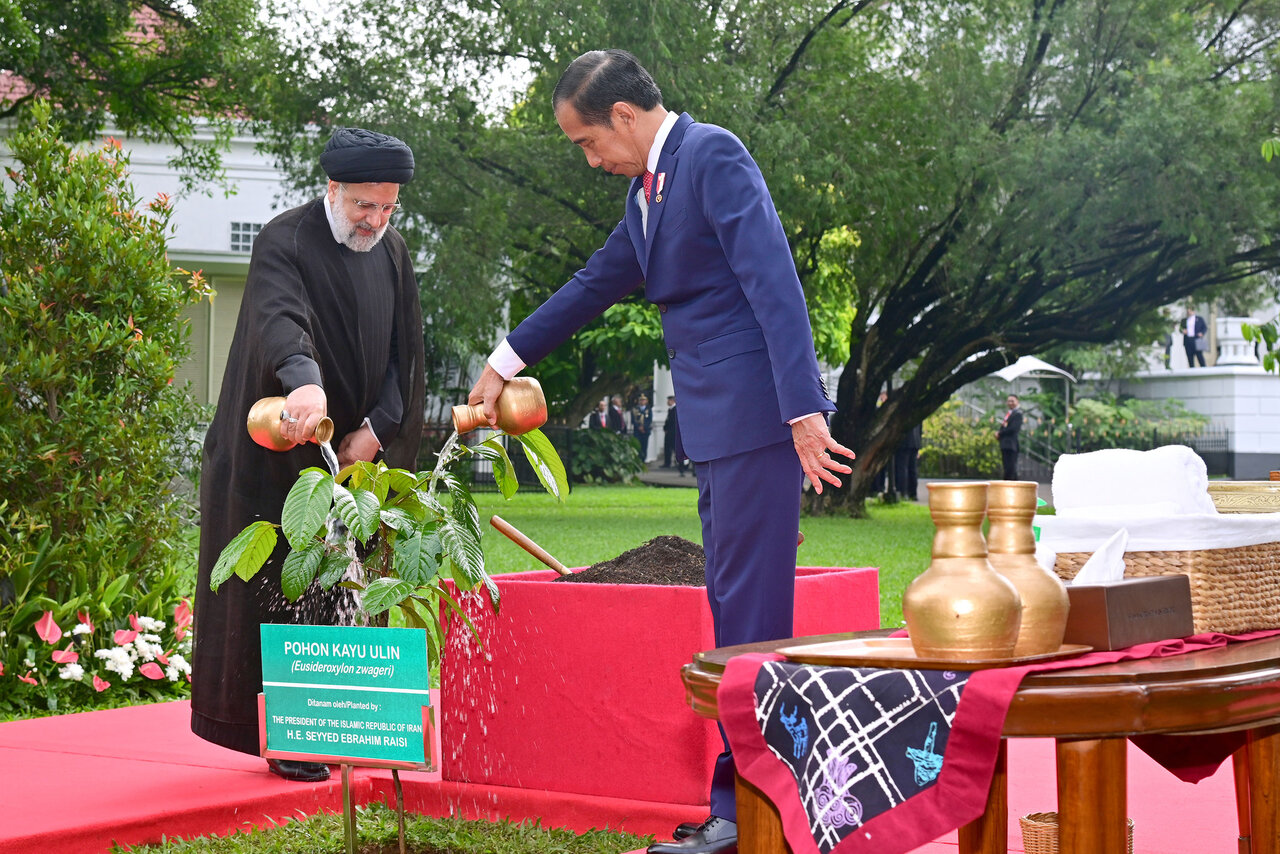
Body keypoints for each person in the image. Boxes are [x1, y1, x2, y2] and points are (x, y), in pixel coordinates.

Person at [466, 50, 854, 854]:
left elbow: (774, 281)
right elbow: (591, 283)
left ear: (622, 117)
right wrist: (504, 361)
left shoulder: (711, 155)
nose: (589, 159)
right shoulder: (651, 192)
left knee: (749, 620)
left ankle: (742, 816)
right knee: (733, 610)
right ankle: (749, 806)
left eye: (585, 142)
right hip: (718, 430)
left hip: (754, 424)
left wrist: (804, 410)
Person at [191, 128, 425, 783]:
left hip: (354, 460)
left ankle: (351, 725)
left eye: (387, 208)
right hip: (278, 455)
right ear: (332, 190)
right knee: (282, 589)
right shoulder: (284, 239)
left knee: (352, 586)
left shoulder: (393, 252)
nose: (375, 222)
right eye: (363, 207)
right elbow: (279, 320)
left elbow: (403, 351)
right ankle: (289, 734)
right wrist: (305, 384)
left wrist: (377, 428)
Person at [997, 394, 1023, 480]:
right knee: (1007, 467)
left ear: (1017, 402)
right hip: (1005, 444)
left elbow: (1013, 429)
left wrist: (1000, 433)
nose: (1010, 403)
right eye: (1009, 401)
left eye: (1012, 401)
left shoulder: (1018, 414)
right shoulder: (1009, 413)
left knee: (1011, 468)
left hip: (1011, 444)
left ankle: (1012, 487)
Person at [894, 421, 922, 501]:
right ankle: (913, 493)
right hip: (915, 442)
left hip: (903, 441)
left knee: (902, 468)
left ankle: (903, 492)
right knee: (912, 469)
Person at [663, 394, 686, 473]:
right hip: (669, 432)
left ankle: (680, 465)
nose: (668, 402)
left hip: (673, 433)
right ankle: (668, 462)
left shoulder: (675, 409)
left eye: (669, 400)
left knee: (674, 448)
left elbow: (672, 422)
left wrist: (667, 428)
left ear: (672, 401)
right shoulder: (671, 409)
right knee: (668, 448)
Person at [631, 393, 654, 460]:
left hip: (645, 431)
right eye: (641, 400)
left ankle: (643, 459)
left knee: (644, 446)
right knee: (637, 446)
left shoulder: (649, 409)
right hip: (637, 431)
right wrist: (639, 427)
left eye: (644, 400)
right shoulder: (635, 409)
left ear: (646, 401)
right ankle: (638, 460)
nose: (642, 401)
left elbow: (649, 420)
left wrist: (644, 427)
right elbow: (633, 420)